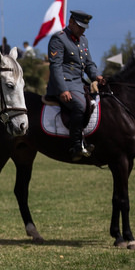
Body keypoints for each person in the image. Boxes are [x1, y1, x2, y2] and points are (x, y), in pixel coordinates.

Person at [46, 10, 106, 160]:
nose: (82, 30)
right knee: (80, 105)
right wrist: (62, 90)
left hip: (79, 84)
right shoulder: (58, 39)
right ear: (71, 22)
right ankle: (76, 146)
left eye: (84, 27)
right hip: (64, 84)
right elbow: (56, 67)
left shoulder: (83, 41)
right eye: (80, 26)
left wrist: (96, 76)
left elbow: (89, 64)